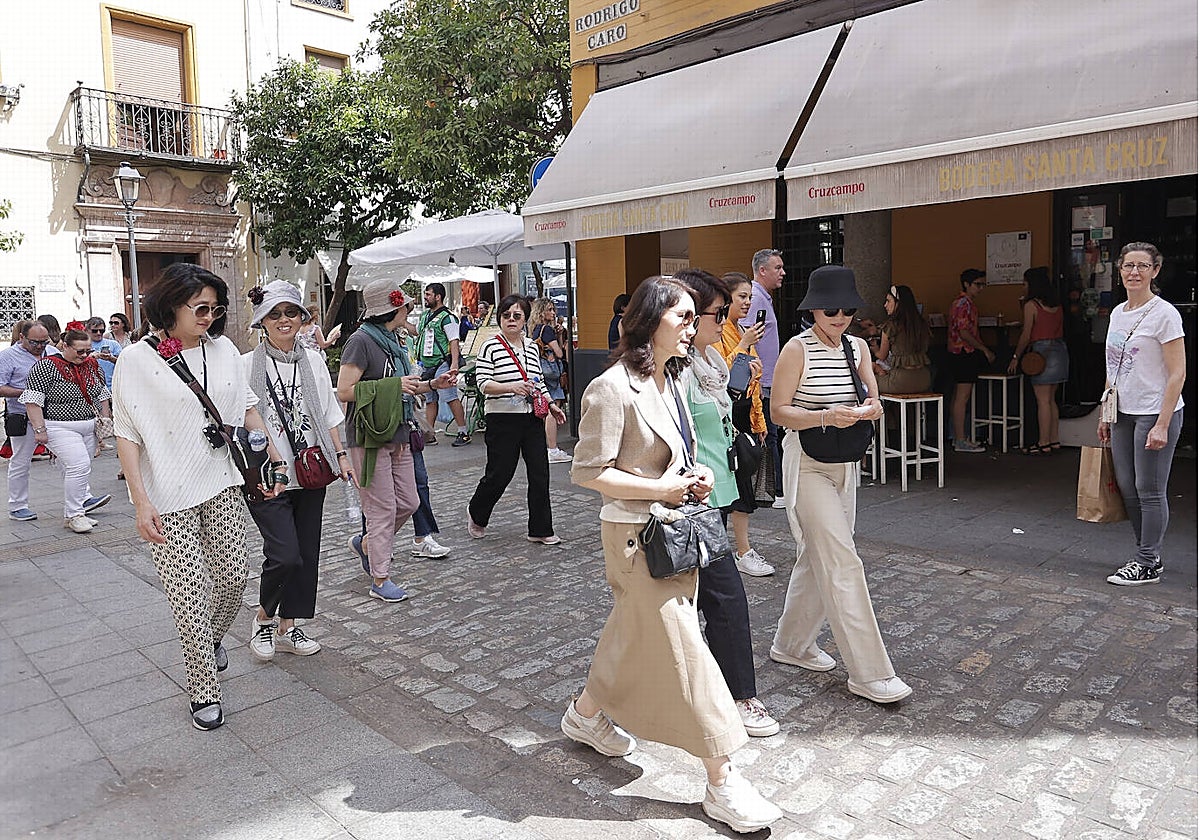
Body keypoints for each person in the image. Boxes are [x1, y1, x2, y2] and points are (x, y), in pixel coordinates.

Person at [565, 275, 781, 834]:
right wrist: (659, 489)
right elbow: (587, 472)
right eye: (683, 316)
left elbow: (676, 452)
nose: (693, 326)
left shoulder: (674, 378)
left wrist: (694, 474)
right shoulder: (610, 387)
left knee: (629, 634)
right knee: (687, 650)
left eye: (694, 316)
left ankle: (584, 714)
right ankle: (722, 778)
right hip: (636, 539)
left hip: (675, 530)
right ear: (649, 321)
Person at [112, 262, 285, 731]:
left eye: (216, 309)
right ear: (171, 306)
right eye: (200, 308)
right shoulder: (135, 360)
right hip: (167, 495)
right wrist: (140, 501)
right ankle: (202, 686)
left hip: (222, 483)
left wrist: (272, 454)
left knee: (233, 576)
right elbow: (126, 433)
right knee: (187, 596)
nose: (209, 317)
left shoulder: (224, 349)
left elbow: (247, 407)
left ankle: (208, 640)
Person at [770, 265, 911, 705]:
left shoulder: (858, 347)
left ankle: (791, 644)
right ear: (813, 309)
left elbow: (873, 397)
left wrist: (871, 409)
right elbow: (778, 411)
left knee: (821, 555)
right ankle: (871, 672)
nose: (840, 317)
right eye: (830, 309)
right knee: (842, 560)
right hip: (807, 462)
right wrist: (825, 416)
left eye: (847, 309)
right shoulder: (796, 349)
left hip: (844, 463)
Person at [676, 268, 780, 739]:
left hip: (718, 492)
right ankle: (739, 696)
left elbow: (722, 420)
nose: (725, 321)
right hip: (688, 504)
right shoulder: (675, 373)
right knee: (723, 598)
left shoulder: (713, 361)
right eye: (718, 313)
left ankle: (597, 706)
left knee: (690, 604)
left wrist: (737, 386)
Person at [242, 281, 353, 662]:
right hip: (266, 475)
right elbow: (240, 417)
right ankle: (263, 618)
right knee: (284, 554)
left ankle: (289, 625)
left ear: (302, 317)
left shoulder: (314, 361)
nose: (284, 320)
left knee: (305, 553)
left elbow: (328, 413)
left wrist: (341, 456)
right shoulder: (246, 364)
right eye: (274, 314)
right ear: (262, 321)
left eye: (291, 312)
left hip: (310, 470)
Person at [338, 280, 455, 603]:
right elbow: (345, 391)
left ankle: (366, 544)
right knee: (382, 508)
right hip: (369, 436)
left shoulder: (392, 339)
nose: (410, 310)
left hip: (399, 432)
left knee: (408, 502)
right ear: (393, 310)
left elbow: (406, 385)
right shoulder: (360, 341)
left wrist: (433, 384)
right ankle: (380, 578)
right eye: (405, 305)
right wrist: (392, 386)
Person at [1100, 242, 1186, 586]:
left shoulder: (1165, 314)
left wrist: (1163, 424)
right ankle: (1147, 553)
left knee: (1149, 489)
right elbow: (1113, 366)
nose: (1134, 272)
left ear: (1155, 271)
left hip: (1154, 411)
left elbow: (1178, 373)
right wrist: (1104, 413)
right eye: (1128, 266)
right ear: (1119, 270)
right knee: (1127, 487)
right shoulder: (1117, 313)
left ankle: (1147, 561)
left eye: (1142, 266)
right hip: (1122, 411)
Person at [466, 294, 566, 545]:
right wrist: (511, 387)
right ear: (500, 318)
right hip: (502, 418)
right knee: (500, 473)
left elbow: (537, 382)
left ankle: (540, 528)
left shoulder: (531, 347)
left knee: (540, 473)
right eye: (506, 315)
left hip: (531, 417)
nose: (511, 319)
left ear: (524, 319)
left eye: (517, 316)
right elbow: (483, 383)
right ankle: (477, 512)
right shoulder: (490, 346)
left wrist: (551, 404)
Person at [21, 324, 113, 533]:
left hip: (88, 424)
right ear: (65, 346)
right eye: (80, 351)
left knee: (82, 467)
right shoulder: (46, 367)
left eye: (88, 350)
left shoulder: (92, 364)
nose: (85, 355)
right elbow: (33, 401)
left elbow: (102, 393)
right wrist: (39, 430)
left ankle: (77, 510)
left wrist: (105, 419)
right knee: (79, 465)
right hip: (59, 426)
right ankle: (74, 515)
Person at [718, 271, 774, 577]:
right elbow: (719, 375)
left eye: (750, 297)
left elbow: (752, 382)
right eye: (742, 296)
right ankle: (735, 551)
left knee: (743, 487)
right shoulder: (719, 331)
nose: (748, 302)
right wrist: (744, 345)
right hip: (724, 414)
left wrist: (759, 420)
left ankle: (741, 550)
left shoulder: (741, 329)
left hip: (745, 413)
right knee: (729, 488)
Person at [739, 249, 786, 508]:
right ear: (762, 270)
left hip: (766, 377)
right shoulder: (756, 299)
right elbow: (746, 336)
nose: (783, 273)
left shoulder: (761, 298)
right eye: (777, 268)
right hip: (761, 379)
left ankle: (771, 490)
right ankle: (774, 491)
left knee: (770, 433)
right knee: (769, 434)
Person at [1007, 267, 1067, 454]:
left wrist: (1016, 356)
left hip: (1040, 353)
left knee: (1042, 401)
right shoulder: (1057, 305)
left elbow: (1026, 334)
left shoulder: (1031, 305)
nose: (1023, 287)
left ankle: (1043, 442)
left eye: (1025, 283)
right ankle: (1054, 440)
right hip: (1059, 350)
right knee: (1051, 400)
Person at [1, 320, 52, 521]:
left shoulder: (51, 352)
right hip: (22, 416)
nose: (40, 346)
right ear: (22, 337)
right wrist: (28, 393)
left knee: (70, 457)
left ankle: (82, 497)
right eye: (34, 342)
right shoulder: (7, 356)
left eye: (44, 342)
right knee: (21, 461)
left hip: (52, 414)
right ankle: (17, 506)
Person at [417, 283, 470, 447]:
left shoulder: (448, 317)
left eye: (428, 294)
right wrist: (400, 321)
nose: (425, 297)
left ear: (438, 297)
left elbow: (454, 341)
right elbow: (417, 331)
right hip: (427, 364)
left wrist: (454, 365)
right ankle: (430, 434)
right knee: (430, 399)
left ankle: (463, 432)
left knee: (450, 397)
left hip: (442, 363)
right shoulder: (425, 316)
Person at [947, 268, 995, 453]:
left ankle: (956, 436)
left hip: (957, 353)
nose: (980, 288)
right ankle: (960, 439)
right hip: (964, 352)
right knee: (962, 397)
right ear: (966, 284)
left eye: (983, 284)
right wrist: (984, 349)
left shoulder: (962, 303)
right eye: (977, 284)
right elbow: (964, 332)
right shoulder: (964, 304)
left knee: (958, 396)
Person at [531, 296, 572, 464]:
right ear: (541, 312)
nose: (553, 313)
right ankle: (553, 449)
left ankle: (547, 447)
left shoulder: (535, 329)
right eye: (549, 310)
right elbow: (560, 353)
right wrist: (561, 340)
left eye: (553, 309)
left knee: (545, 409)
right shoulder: (547, 330)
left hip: (540, 370)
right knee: (552, 410)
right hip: (551, 372)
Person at [873, 284, 932, 395]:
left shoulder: (890, 326)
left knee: (867, 381)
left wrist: (875, 349)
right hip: (924, 379)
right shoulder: (922, 324)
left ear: (898, 303)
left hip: (901, 381)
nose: (885, 305)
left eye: (888, 301)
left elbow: (882, 355)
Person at [85, 317, 122, 388]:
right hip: (90, 387)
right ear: (87, 330)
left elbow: (121, 363)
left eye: (101, 331)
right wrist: (91, 357)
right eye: (94, 331)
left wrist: (110, 358)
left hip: (112, 386)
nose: (98, 333)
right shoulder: (83, 345)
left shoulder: (113, 344)